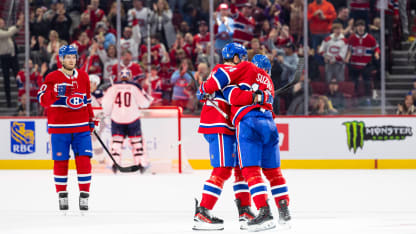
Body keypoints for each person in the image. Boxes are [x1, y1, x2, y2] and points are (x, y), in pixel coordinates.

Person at [200, 44, 291, 231]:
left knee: (249, 170)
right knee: (273, 172)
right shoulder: (269, 82)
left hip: (247, 123)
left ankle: (263, 212)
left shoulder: (246, 68)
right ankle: (284, 212)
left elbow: (232, 95)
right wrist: (258, 97)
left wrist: (204, 88)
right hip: (269, 124)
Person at [193, 46, 254, 231]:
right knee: (222, 169)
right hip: (218, 125)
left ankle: (245, 210)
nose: (243, 60)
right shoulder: (226, 69)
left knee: (239, 169)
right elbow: (210, 86)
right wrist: (204, 88)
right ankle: (203, 211)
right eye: (241, 57)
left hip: (229, 126)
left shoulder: (234, 73)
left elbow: (209, 89)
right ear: (234, 57)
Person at [37, 45, 95, 211]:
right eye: (67, 57)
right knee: (61, 162)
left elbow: (87, 101)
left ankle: (84, 196)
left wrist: (91, 119)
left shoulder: (83, 76)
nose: (71, 60)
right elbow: (43, 101)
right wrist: (55, 92)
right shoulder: (52, 77)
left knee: (84, 161)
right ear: (61, 59)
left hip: (81, 128)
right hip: (59, 129)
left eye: (73, 57)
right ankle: (62, 195)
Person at [102, 68, 153, 173]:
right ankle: (141, 163)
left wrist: (108, 113)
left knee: (116, 143)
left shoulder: (113, 87)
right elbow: (145, 103)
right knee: (137, 143)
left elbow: (105, 103)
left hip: (117, 119)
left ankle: (114, 164)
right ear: (130, 76)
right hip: (132, 119)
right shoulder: (134, 87)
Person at [345, 19, 380, 100]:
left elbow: (376, 48)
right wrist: (347, 57)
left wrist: (376, 53)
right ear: (356, 28)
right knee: (354, 82)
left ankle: (367, 98)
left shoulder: (370, 38)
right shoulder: (352, 37)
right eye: (358, 26)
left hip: (366, 65)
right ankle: (355, 98)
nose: (360, 28)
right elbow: (349, 49)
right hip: (354, 64)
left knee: (367, 83)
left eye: (362, 26)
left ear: (364, 27)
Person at [0, 15, 23, 107]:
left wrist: (20, 23)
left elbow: (14, 30)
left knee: (18, 76)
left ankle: (21, 97)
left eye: (2, 22)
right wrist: (16, 26)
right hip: (4, 57)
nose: (2, 23)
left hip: (12, 57)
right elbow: (9, 33)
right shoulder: (2, 32)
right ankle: (9, 101)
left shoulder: (6, 29)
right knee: (6, 79)